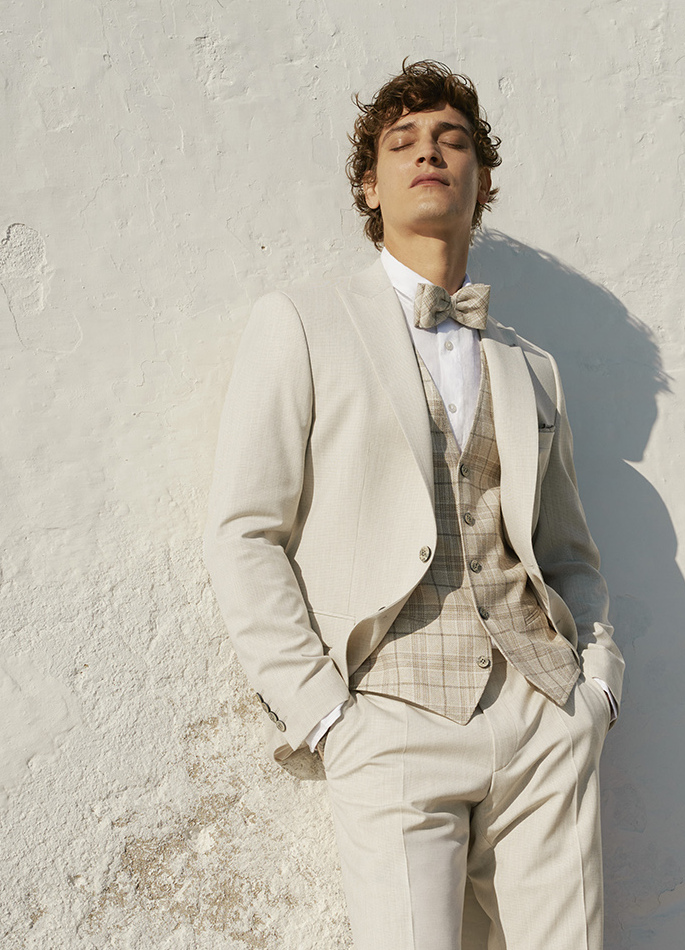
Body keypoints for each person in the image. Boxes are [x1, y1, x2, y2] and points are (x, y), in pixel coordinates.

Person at [204, 59, 624, 950]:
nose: (429, 153)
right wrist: (326, 715)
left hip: (544, 715)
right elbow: (245, 532)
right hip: (390, 719)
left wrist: (596, 688)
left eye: (452, 140)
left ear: (482, 182)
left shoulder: (531, 364)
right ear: (370, 185)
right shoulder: (303, 322)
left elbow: (568, 555)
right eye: (403, 142)